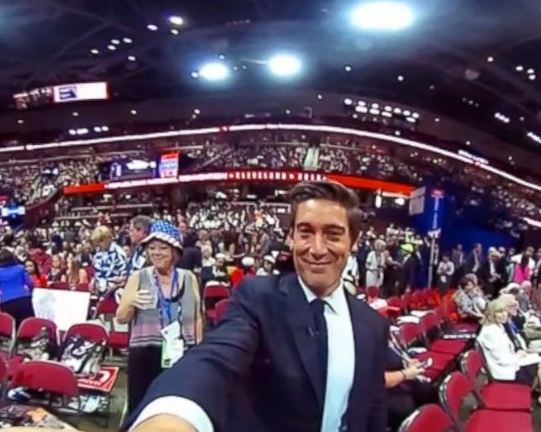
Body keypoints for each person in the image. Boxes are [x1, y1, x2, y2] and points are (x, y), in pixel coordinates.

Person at [128, 181, 390, 432]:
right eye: (306, 232)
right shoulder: (257, 297)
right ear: (291, 238)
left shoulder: (372, 326)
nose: (317, 249)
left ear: (354, 242)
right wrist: (173, 417)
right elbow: (215, 359)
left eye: (333, 235)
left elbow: (372, 414)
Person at [116, 221, 203, 412]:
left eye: (163, 248)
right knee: (142, 409)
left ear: (175, 251)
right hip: (145, 355)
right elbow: (121, 318)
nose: (156, 253)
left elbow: (197, 317)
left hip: (181, 353)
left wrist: (198, 351)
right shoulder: (138, 277)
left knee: (175, 408)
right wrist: (130, 302)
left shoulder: (189, 278)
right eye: (151, 248)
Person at [477, 299, 541, 407]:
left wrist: (522, 355)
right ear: (492, 313)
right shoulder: (491, 332)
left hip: (510, 362)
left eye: (504, 311)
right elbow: (503, 360)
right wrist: (520, 356)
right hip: (504, 369)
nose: (503, 315)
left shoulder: (498, 326)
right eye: (499, 312)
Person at [0, 249, 35, 325]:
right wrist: (30, 293)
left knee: (11, 327)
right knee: (28, 324)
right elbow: (30, 283)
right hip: (24, 299)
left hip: (7, 302)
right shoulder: (20, 268)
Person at [92, 225, 129, 295]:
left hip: (114, 294)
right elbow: (96, 271)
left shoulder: (119, 253)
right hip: (99, 292)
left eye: (100, 241)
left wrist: (115, 287)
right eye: (97, 242)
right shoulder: (98, 252)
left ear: (108, 238)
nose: (98, 244)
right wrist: (93, 280)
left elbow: (125, 278)